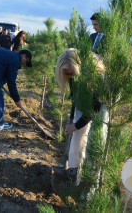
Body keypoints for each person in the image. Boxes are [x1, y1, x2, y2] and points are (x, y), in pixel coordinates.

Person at [55, 48, 108, 185]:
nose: (69, 75)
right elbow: (75, 90)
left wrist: (76, 124)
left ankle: (90, 181)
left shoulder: (96, 73)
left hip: (103, 101)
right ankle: (74, 174)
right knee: (78, 136)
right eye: (66, 73)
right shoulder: (71, 73)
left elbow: (95, 107)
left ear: (78, 66)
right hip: (86, 98)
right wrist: (76, 125)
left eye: (71, 72)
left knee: (95, 139)